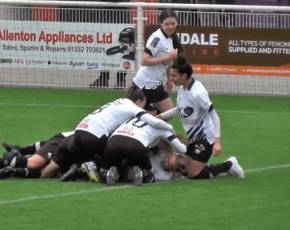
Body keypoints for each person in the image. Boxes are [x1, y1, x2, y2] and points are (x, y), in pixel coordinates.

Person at [41, 89, 174, 179]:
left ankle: (76, 167)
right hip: (94, 136)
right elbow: (153, 121)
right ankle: (93, 165)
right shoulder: (131, 107)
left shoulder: (117, 102)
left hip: (79, 132)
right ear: (139, 101)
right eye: (142, 105)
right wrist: (169, 129)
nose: (142, 109)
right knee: (114, 150)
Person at [157, 56, 245, 179]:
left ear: (184, 76)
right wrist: (159, 116)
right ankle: (202, 165)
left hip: (205, 137)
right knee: (185, 168)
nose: (171, 79)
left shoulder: (198, 93)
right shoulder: (183, 89)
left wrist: (217, 142)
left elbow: (215, 116)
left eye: (173, 76)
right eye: (170, 75)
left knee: (193, 174)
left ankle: (229, 164)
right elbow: (179, 109)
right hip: (194, 137)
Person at [100, 116, 187, 185]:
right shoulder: (164, 146)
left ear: (173, 171)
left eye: (167, 164)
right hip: (133, 149)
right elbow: (179, 143)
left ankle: (110, 170)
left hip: (121, 142)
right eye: (168, 158)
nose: (165, 160)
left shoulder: (165, 175)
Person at [129, 9, 183, 113]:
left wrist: (169, 79)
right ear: (161, 24)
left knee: (169, 113)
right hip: (146, 84)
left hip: (156, 84)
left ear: (177, 23)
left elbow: (169, 62)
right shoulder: (156, 39)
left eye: (173, 23)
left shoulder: (172, 37)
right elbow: (144, 61)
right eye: (167, 24)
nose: (170, 26)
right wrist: (168, 57)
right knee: (150, 120)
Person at [0, 131, 74, 179]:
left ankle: (10, 168)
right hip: (64, 143)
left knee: (46, 173)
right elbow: (51, 142)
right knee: (34, 163)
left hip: (69, 149)